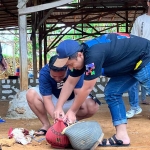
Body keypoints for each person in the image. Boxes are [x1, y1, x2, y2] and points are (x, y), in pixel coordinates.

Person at [53, 33, 150, 147]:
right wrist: (58, 107)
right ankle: (122, 136)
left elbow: (87, 87)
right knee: (112, 92)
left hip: (145, 57)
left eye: (70, 64)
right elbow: (70, 83)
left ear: (79, 55)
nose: (70, 68)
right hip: (131, 64)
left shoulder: (93, 57)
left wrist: (73, 111)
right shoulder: (81, 58)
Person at [26, 55, 100, 136]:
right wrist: (57, 119)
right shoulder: (44, 72)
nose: (57, 79)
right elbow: (47, 98)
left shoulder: (78, 67)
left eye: (61, 76)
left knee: (92, 106)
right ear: (49, 69)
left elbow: (78, 93)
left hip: (72, 100)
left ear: (68, 67)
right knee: (31, 94)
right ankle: (47, 125)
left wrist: (72, 112)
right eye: (54, 76)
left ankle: (69, 122)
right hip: (55, 100)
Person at [126, 0, 150, 118]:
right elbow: (133, 38)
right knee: (132, 80)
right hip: (141, 54)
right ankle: (134, 107)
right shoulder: (140, 19)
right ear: (148, 3)